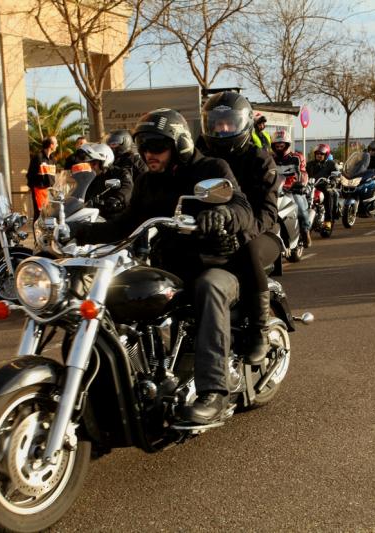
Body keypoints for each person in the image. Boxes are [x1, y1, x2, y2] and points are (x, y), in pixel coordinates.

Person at [71, 108, 255, 425]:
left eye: (156, 147)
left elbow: (241, 207)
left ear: (179, 144)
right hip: (172, 267)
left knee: (208, 288)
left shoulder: (210, 167)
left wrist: (222, 215)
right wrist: (77, 230)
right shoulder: (146, 182)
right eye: (143, 147)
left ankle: (214, 392)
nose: (148, 154)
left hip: (218, 265)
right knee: (123, 290)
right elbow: (124, 226)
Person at [200, 90, 283, 363]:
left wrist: (241, 235)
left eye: (229, 123)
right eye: (216, 123)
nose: (222, 129)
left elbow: (268, 212)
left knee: (247, 251)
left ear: (243, 124)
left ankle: (259, 329)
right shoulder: (201, 157)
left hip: (260, 234)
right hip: (213, 232)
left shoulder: (259, 159)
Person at [271, 129, 311, 247]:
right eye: (276, 145)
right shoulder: (270, 159)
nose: (279, 146)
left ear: (287, 144)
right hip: (276, 190)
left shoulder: (296, 157)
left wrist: (301, 184)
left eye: (281, 144)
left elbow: (303, 173)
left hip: (293, 189)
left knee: (301, 209)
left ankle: (305, 231)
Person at [306, 143, 339, 232]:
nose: (319, 155)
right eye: (317, 154)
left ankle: (328, 220)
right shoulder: (310, 164)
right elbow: (303, 174)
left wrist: (333, 180)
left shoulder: (331, 164)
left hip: (324, 187)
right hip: (311, 187)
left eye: (321, 154)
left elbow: (336, 174)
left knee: (329, 193)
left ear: (326, 155)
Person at [27, 136, 58, 218]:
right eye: (56, 143)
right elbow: (30, 175)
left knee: (49, 214)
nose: (57, 145)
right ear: (51, 145)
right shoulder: (38, 157)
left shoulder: (53, 159)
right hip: (39, 190)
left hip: (50, 191)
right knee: (39, 214)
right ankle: (37, 231)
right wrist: (33, 187)